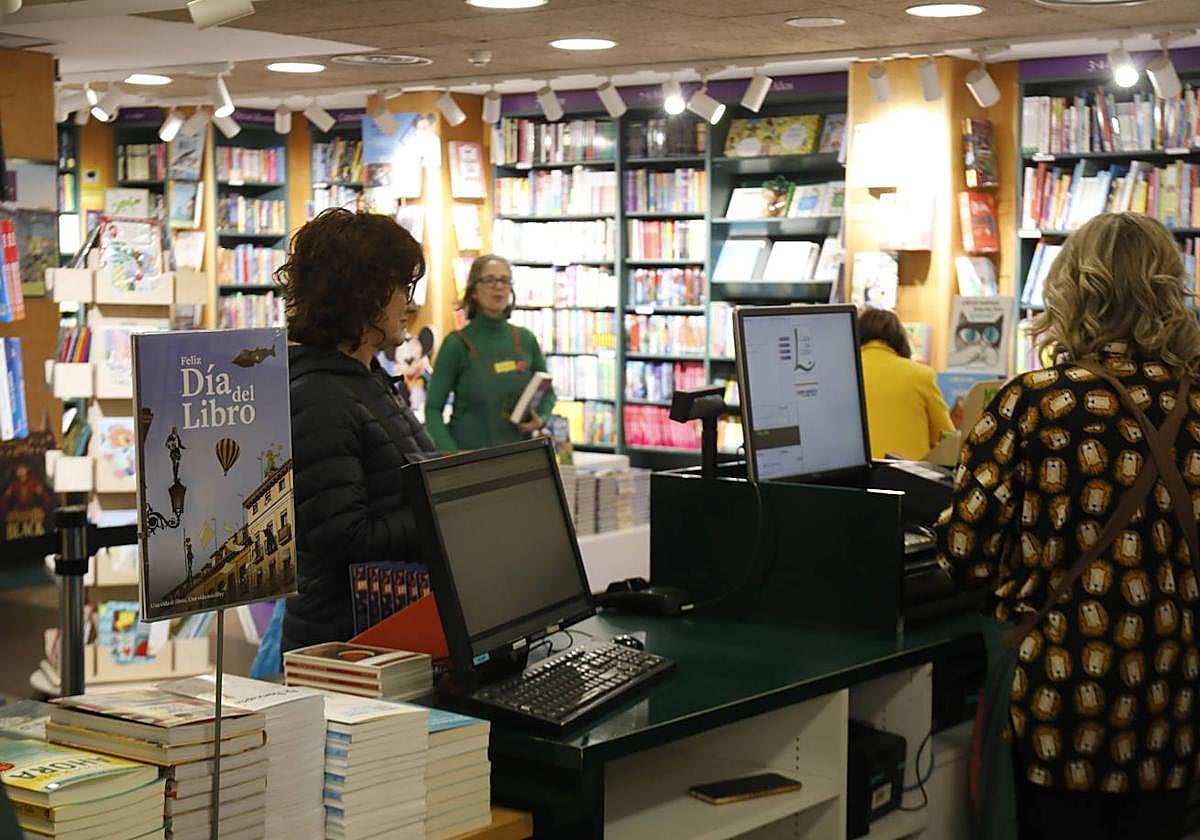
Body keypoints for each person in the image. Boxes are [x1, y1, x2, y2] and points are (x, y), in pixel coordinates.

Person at [934, 213, 1200, 840]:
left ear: (1071, 291)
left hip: (1062, 697)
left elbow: (964, 553)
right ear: (1169, 291)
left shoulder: (1034, 401)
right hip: (1170, 700)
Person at [278, 208, 438, 651]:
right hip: (343, 645)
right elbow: (342, 537)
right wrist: (443, 507)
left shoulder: (364, 379)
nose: (408, 303)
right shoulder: (319, 395)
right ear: (361, 295)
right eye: (400, 288)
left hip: (381, 632)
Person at [425, 255, 556, 451]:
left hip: (522, 458)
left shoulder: (526, 339)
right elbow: (433, 409)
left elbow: (548, 392)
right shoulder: (457, 344)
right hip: (471, 461)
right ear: (474, 290)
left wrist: (541, 419)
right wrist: (451, 455)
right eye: (490, 280)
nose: (498, 286)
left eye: (504, 280)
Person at [858, 308, 953, 459]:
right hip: (907, 478)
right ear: (900, 338)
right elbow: (947, 439)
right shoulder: (921, 375)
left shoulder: (842, 375)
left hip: (851, 478)